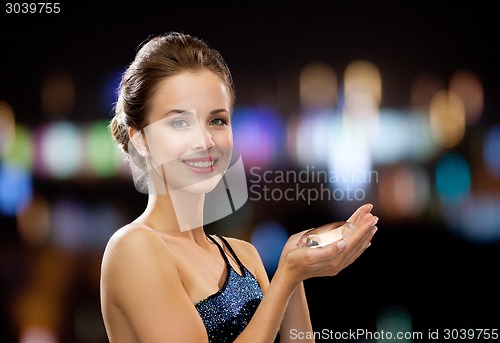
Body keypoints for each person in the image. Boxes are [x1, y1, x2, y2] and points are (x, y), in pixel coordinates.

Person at [100, 31, 379, 343]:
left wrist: (297, 270)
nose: (205, 141)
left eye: (217, 121)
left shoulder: (243, 256)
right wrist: (286, 277)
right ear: (141, 139)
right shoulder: (133, 248)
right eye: (180, 123)